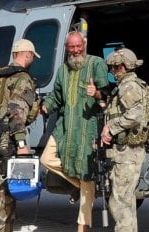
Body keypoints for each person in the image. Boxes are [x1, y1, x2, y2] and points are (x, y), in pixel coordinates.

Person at [40, 31, 109, 232]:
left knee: (87, 177)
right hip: (65, 127)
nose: (76, 50)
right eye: (72, 47)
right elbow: (57, 97)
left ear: (84, 44)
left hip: (88, 129)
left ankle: (82, 226)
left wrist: (96, 93)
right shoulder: (62, 70)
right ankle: (79, 185)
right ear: (66, 48)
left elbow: (108, 93)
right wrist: (45, 106)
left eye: (79, 46)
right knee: (46, 159)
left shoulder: (96, 64)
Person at [0, 38, 40, 232]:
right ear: (27, 54)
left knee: (7, 189)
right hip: (10, 140)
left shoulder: (0, 75)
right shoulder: (23, 79)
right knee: (1, 192)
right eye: (32, 56)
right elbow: (16, 112)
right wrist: (22, 143)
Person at [101, 47, 149, 232]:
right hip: (128, 152)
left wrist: (110, 128)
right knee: (125, 201)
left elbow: (136, 114)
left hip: (128, 153)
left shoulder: (128, 86)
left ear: (123, 66)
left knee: (120, 203)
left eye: (114, 68)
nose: (112, 72)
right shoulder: (131, 85)